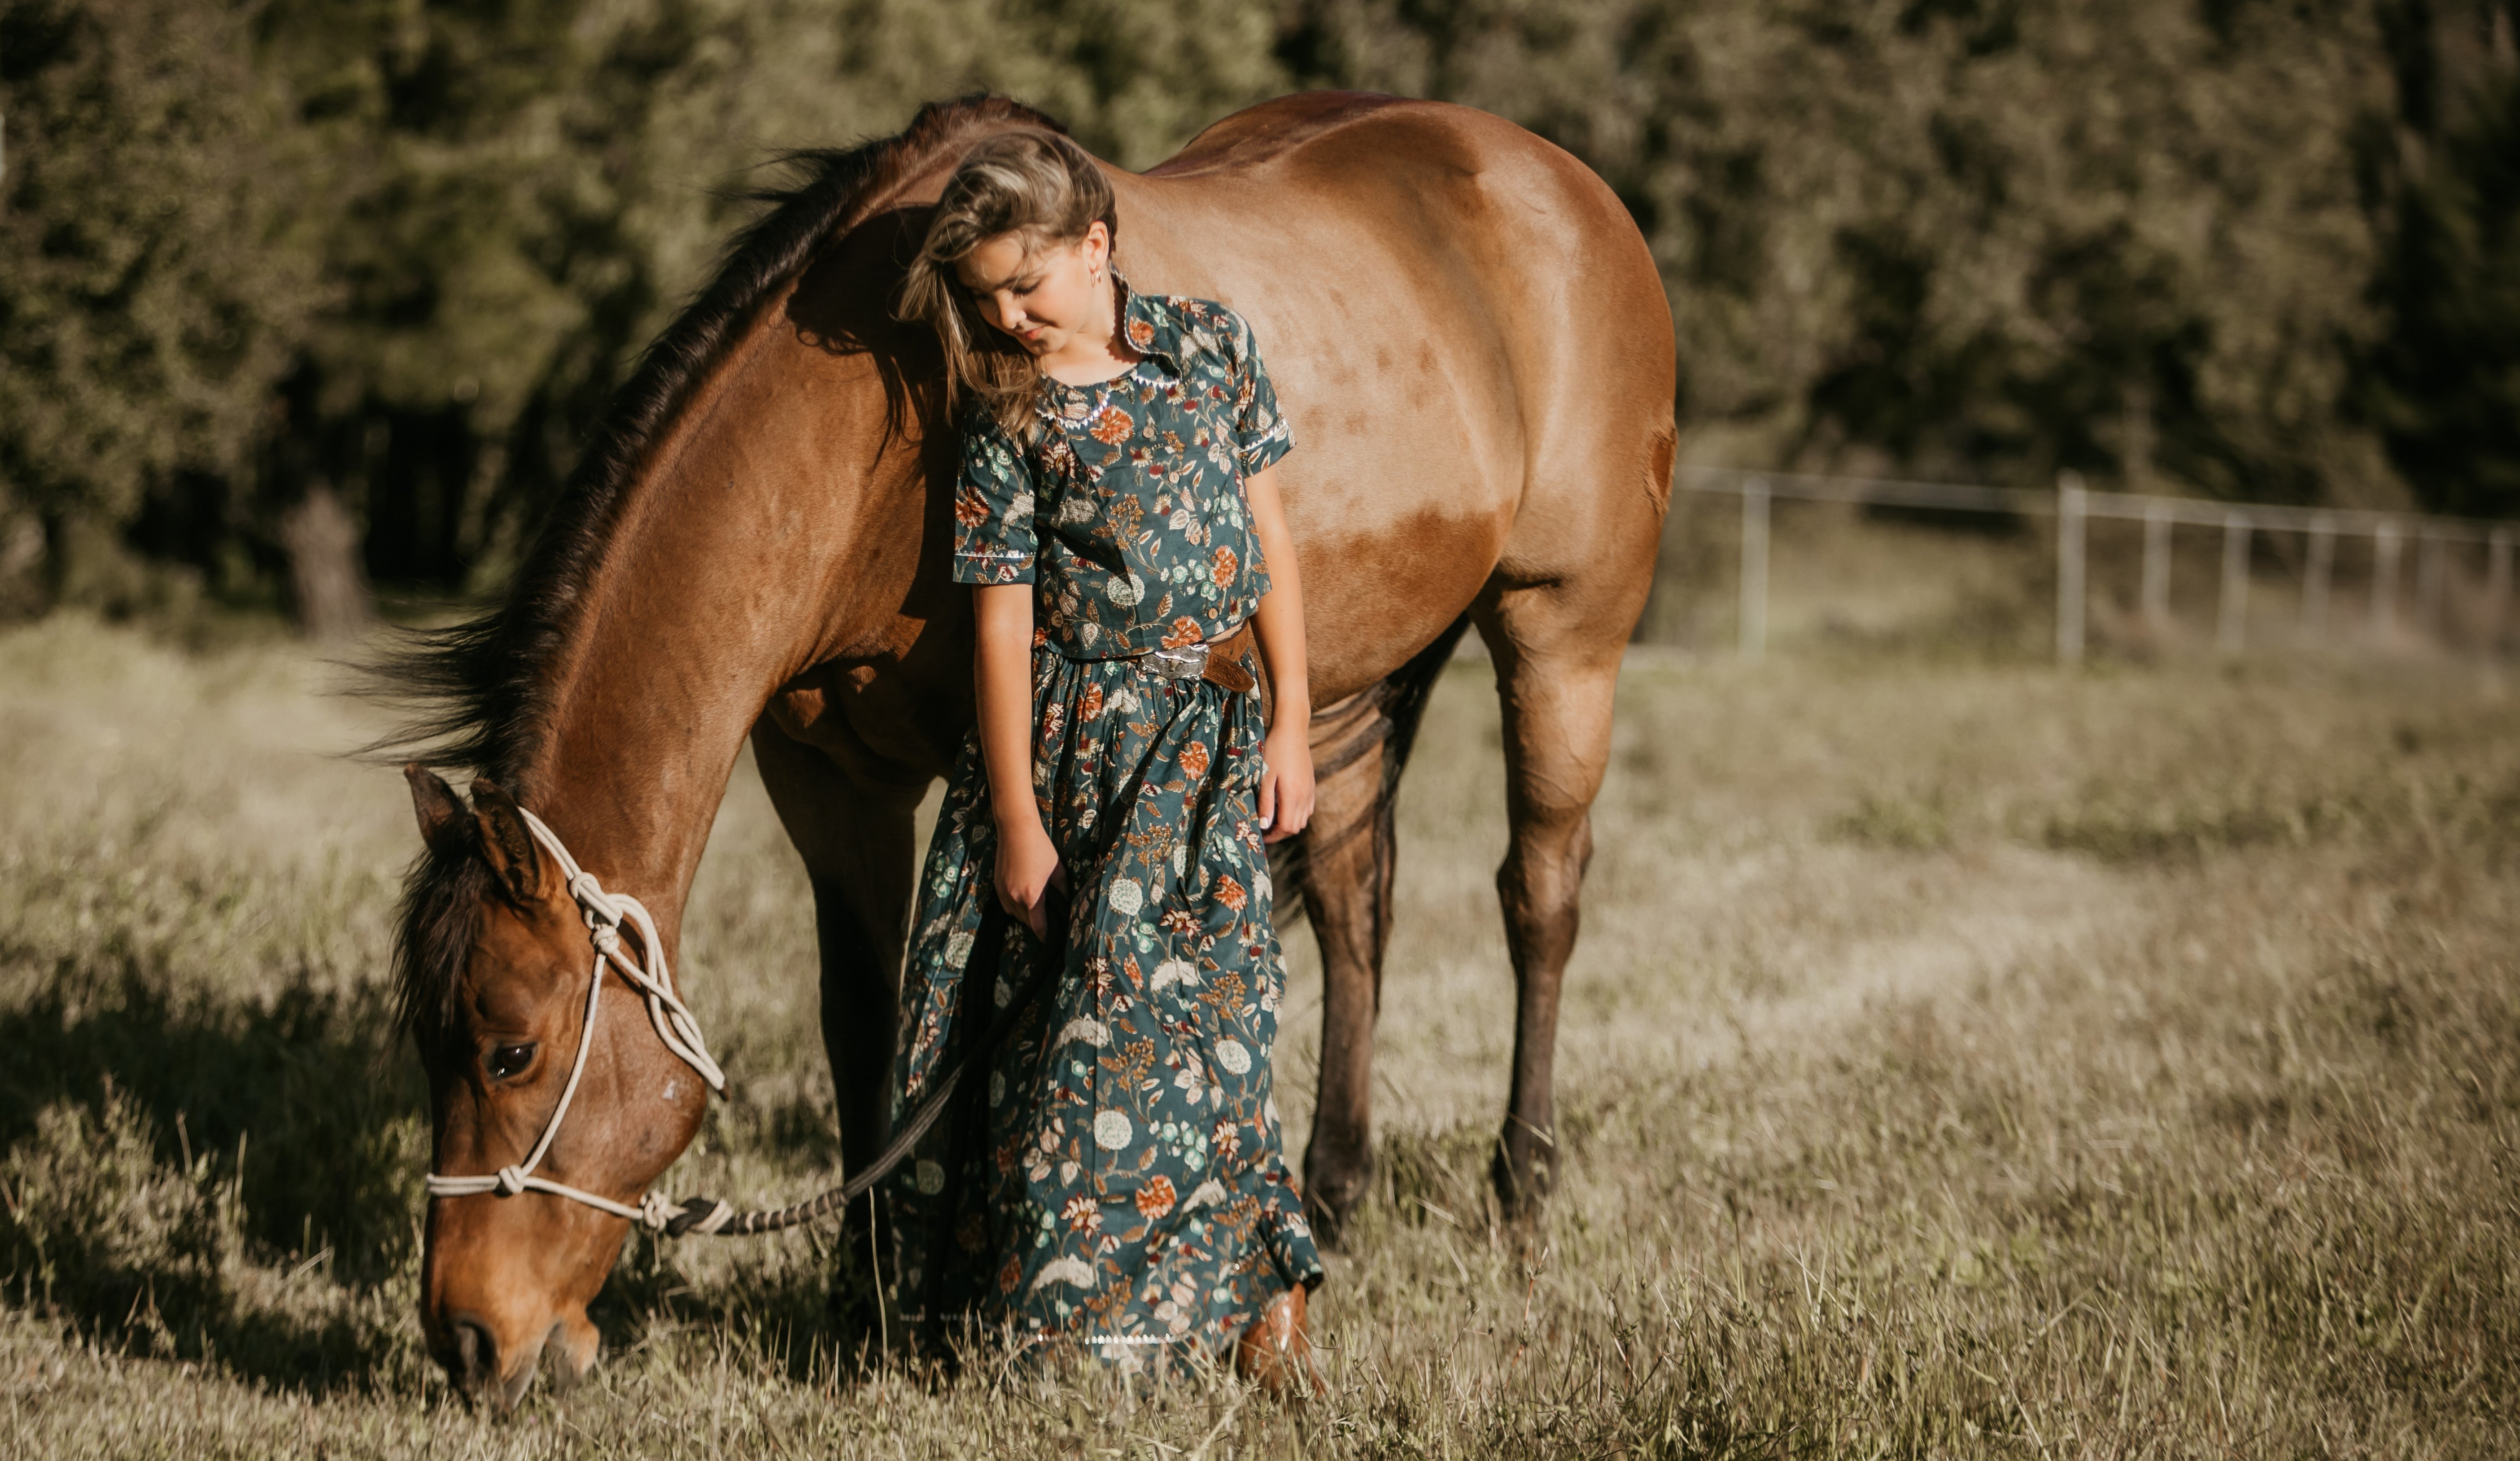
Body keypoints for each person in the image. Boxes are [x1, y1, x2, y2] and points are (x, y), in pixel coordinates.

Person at [881, 129, 1326, 1389]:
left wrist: (1292, 723)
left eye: (1025, 285)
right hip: (1079, 756)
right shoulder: (1007, 415)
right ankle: (1078, 1332)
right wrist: (1019, 820)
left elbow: (1268, 545)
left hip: (1211, 745)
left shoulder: (1212, 348)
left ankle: (1263, 1294)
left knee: (1225, 1018)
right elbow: (1001, 624)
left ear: (1096, 245)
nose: (1006, 317)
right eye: (983, 298)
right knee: (1089, 1038)